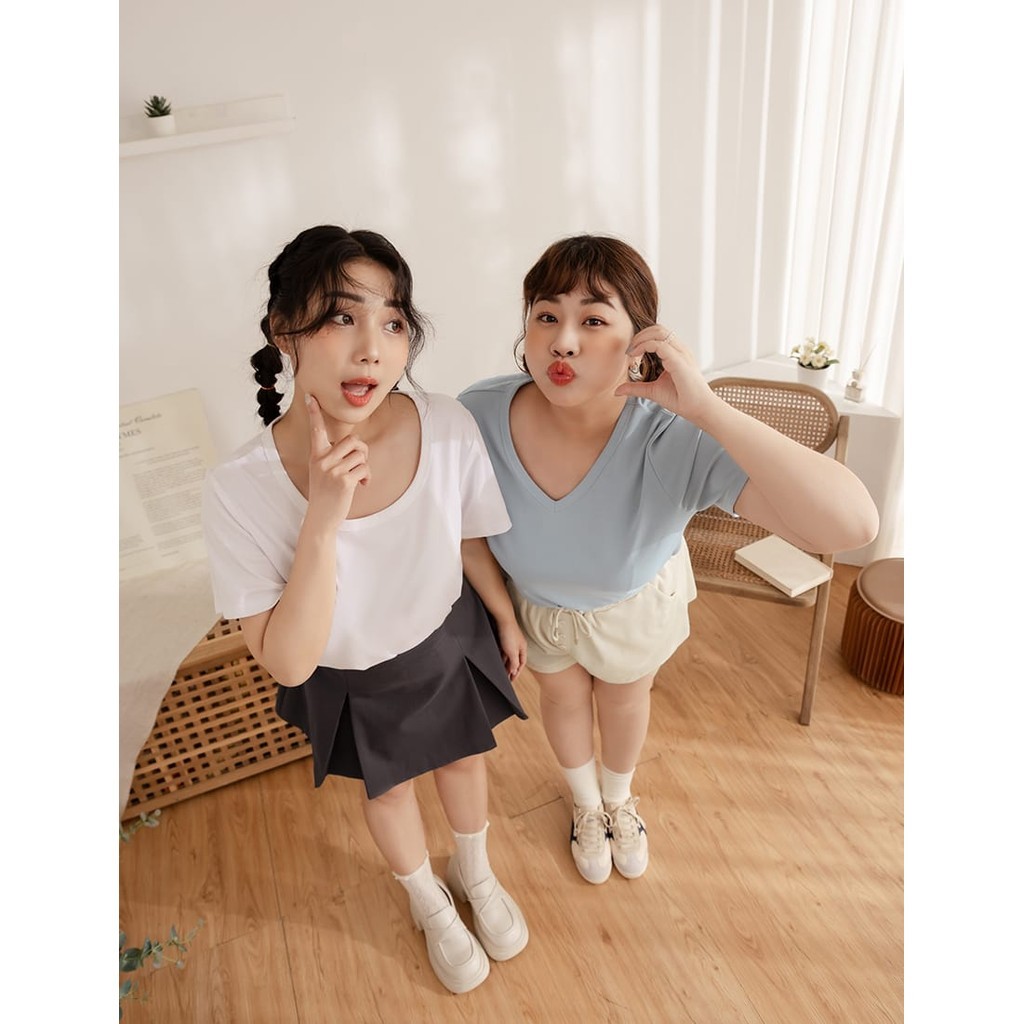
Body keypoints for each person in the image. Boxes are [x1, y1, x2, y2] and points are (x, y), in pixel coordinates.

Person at [458, 234, 878, 886]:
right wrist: (503, 615)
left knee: (625, 702)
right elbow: (467, 526)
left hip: (634, 606)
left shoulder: (672, 435)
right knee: (561, 701)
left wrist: (708, 408)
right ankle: (585, 805)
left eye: (593, 320)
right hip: (536, 607)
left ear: (640, 340)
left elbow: (853, 524)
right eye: (546, 315)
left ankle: (618, 800)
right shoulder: (479, 414)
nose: (562, 341)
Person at [202, 225, 530, 994]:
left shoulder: (444, 424)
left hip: (446, 638)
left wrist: (504, 616)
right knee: (389, 790)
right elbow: (288, 663)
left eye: (393, 322)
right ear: (284, 330)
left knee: (465, 758)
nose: (372, 350)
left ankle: (475, 874)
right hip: (350, 673)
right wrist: (324, 514)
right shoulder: (238, 488)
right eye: (342, 317)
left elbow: (466, 535)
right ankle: (428, 901)